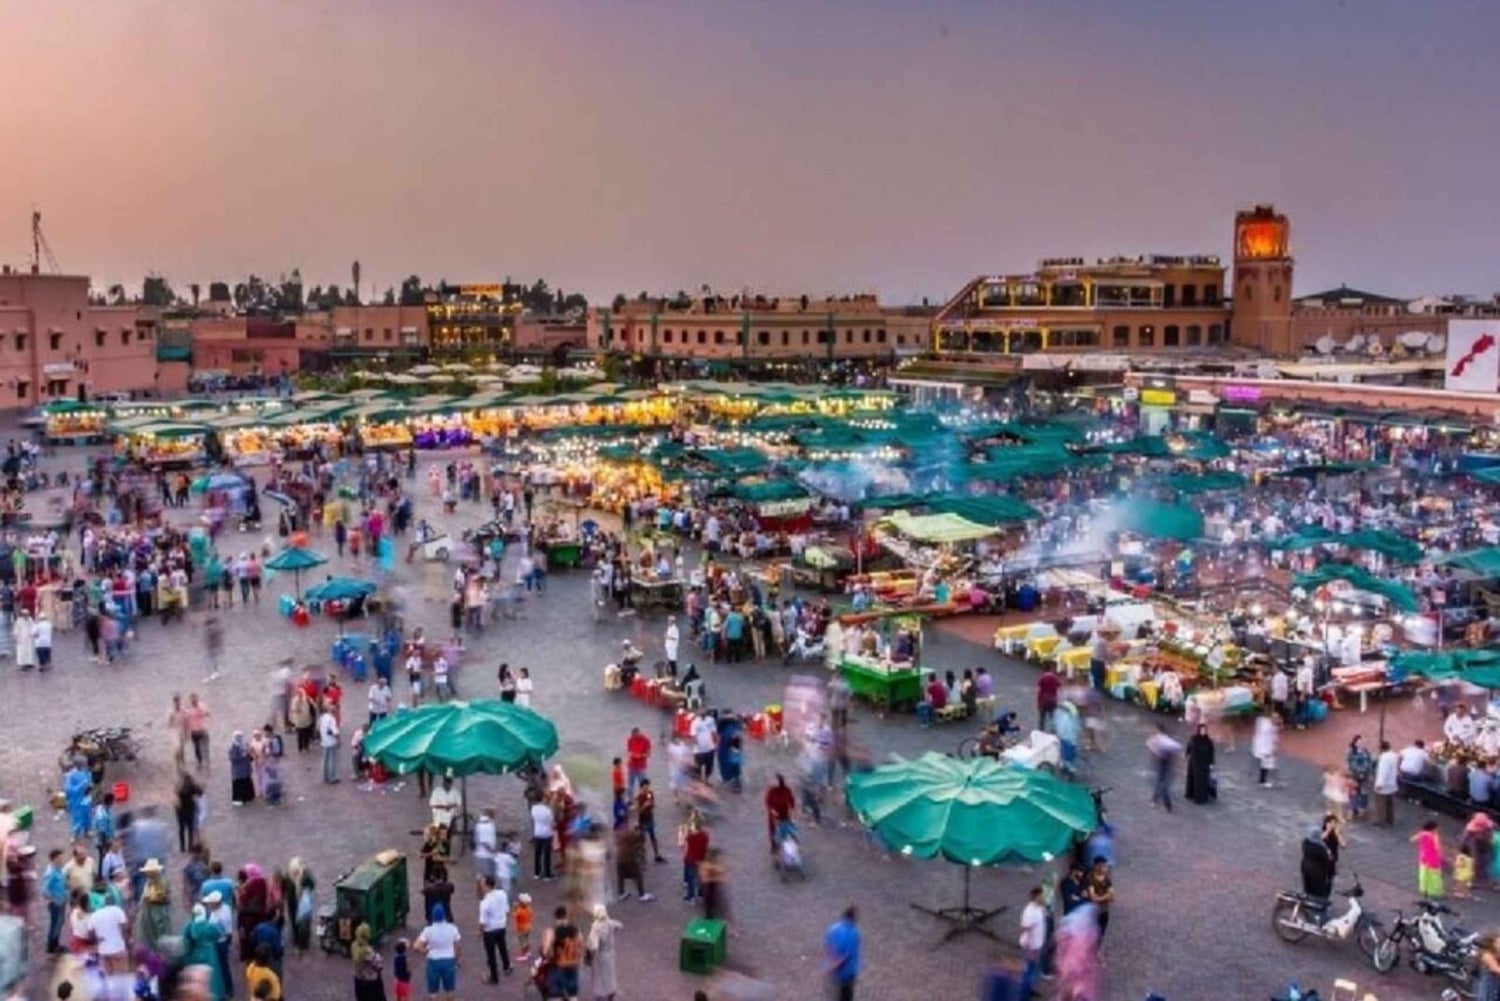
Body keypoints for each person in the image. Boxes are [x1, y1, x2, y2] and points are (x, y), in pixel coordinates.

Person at [414, 903, 461, 1001]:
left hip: (433, 961)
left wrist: (424, 951)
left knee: (433, 992)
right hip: (449, 960)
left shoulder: (428, 930)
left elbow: (416, 946)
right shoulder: (452, 928)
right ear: (444, 915)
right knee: (450, 990)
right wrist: (456, 959)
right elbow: (458, 946)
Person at [545, 905, 585, 1001]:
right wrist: (579, 958)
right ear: (566, 916)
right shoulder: (576, 929)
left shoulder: (552, 931)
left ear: (555, 917)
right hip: (573, 964)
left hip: (558, 965)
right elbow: (581, 944)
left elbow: (546, 950)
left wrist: (549, 957)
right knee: (573, 995)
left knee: (555, 995)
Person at [478, 874, 511, 982]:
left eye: (482, 883)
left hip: (490, 930)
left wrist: (480, 931)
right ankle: (507, 966)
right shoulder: (502, 894)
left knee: (491, 953)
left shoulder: (485, 902)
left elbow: (482, 921)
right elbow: (507, 911)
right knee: (503, 947)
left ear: (486, 885)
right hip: (501, 926)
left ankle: (494, 976)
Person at [823, 905, 860, 1001]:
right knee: (845, 996)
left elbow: (828, 945)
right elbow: (846, 956)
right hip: (846, 973)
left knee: (833, 995)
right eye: (857, 916)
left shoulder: (833, 928)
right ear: (852, 917)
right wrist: (834, 966)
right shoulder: (853, 933)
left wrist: (830, 963)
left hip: (833, 972)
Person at [586, 903, 621, 1001]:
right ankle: (611, 992)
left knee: (600, 977)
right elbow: (619, 925)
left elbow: (594, 946)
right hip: (610, 953)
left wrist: (590, 955)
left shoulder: (596, 928)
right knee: (610, 974)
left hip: (600, 956)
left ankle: (600, 995)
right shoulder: (610, 923)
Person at [1018, 885, 1048, 1000]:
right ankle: (1023, 994)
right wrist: (1029, 947)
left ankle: (1028, 989)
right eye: (1043, 896)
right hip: (1031, 946)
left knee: (1032, 969)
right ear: (1037, 897)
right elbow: (1025, 929)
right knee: (1028, 970)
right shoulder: (1029, 911)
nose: (1045, 898)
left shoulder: (1039, 908)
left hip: (1037, 944)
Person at [1147, 725, 1182, 812]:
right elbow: (1176, 747)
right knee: (1162, 783)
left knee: (1161, 783)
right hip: (1165, 762)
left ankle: (1158, 801)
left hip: (1163, 762)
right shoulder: (1164, 739)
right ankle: (1161, 801)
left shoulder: (1159, 739)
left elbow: (1150, 745)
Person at [352, 922, 387, 1001]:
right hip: (371, 983)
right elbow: (379, 965)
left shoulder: (354, 946)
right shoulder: (368, 952)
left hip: (358, 980)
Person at [1184, 723, 1215, 805]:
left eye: (1204, 730)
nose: (1203, 731)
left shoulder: (1208, 740)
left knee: (1203, 781)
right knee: (1197, 781)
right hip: (1195, 763)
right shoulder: (1193, 739)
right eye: (1202, 730)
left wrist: (1212, 763)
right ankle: (1196, 797)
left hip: (1205, 763)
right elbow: (1189, 748)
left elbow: (1211, 752)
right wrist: (1187, 755)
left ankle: (1203, 797)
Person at [1085, 858, 1114, 946]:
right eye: (1102, 866)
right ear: (1096, 866)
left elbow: (1112, 897)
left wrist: (1100, 897)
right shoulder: (1089, 878)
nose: (1105, 868)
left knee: (1100, 934)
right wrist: (1106, 896)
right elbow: (1093, 898)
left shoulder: (1106, 879)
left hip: (1104, 910)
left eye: (1105, 866)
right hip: (1092, 911)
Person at [764, 774, 796, 853]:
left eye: (776, 781)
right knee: (773, 832)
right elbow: (768, 803)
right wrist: (772, 811)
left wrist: (791, 810)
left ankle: (787, 847)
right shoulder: (771, 791)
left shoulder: (787, 790)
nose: (774, 783)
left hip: (785, 815)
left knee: (786, 831)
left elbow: (792, 801)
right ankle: (774, 846)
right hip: (774, 817)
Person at [1413, 820, 1445, 899]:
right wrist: (1441, 856)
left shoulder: (1422, 834)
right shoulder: (1433, 836)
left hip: (1424, 857)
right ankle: (1434, 892)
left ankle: (1424, 889)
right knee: (1435, 876)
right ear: (1433, 828)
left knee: (1424, 874)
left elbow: (1412, 839)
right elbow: (1437, 847)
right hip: (1433, 859)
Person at [1346, 735, 1374, 820]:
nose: (1361, 744)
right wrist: (1358, 771)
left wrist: (1370, 773)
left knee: (1364, 793)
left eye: (1362, 742)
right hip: (1354, 776)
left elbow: (1369, 763)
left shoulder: (1366, 751)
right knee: (1353, 793)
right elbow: (1350, 763)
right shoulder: (1351, 752)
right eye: (1359, 742)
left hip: (1365, 776)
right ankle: (1353, 810)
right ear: (1355, 743)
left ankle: (1362, 809)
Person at [1372, 740, 1399, 827]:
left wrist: (1379, 784)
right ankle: (1390, 820)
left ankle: (1381, 821)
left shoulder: (1384, 758)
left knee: (1381, 804)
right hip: (1392, 783)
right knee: (1390, 804)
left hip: (1384, 785)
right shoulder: (1394, 755)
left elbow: (1383, 772)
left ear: (1381, 749)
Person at [531, 795, 555, 880]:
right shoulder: (548, 810)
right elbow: (551, 822)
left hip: (537, 832)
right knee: (547, 855)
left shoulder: (534, 808)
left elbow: (533, 818)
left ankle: (536, 873)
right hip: (547, 833)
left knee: (537, 854)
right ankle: (547, 874)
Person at [1252, 712, 1279, 787]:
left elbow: (1274, 739)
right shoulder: (1267, 727)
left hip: (1267, 748)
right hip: (1265, 748)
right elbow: (1268, 739)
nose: (1276, 720)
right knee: (1266, 764)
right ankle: (1262, 781)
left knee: (1266, 764)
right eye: (1275, 718)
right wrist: (1267, 750)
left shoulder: (1270, 726)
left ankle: (1263, 780)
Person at [318, 704, 341, 784]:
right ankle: (332, 778)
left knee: (325, 759)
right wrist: (338, 740)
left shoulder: (322, 717)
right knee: (332, 760)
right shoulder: (332, 719)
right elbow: (335, 732)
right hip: (331, 741)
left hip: (324, 741)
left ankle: (325, 776)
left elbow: (319, 728)